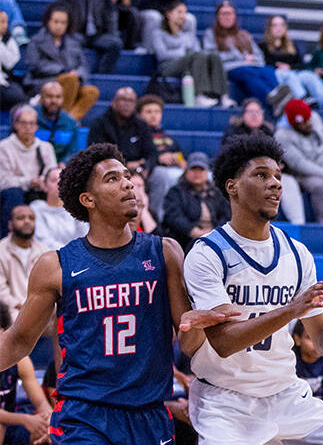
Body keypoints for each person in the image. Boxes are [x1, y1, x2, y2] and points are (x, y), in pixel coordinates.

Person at [0, 142, 233, 443]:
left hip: (148, 414)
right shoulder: (55, 265)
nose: (127, 183)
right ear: (88, 199)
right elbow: (18, 340)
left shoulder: (165, 251)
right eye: (112, 179)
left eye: (127, 175)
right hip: (83, 415)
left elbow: (188, 342)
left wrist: (197, 323)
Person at [182, 133, 323, 445]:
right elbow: (223, 341)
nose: (276, 183)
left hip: (285, 392)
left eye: (278, 176)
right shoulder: (208, 253)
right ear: (232, 186)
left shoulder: (297, 253)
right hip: (225, 400)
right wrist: (292, 309)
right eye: (261, 175)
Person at [202, 1, 290, 116]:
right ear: (217, 17)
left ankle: (276, 98)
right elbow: (211, 56)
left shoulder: (243, 34)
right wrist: (240, 58)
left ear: (235, 16)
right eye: (223, 14)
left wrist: (252, 59)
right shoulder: (211, 34)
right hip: (228, 68)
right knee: (247, 72)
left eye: (230, 14)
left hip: (251, 65)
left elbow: (259, 56)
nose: (227, 17)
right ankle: (270, 97)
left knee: (268, 70)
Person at [22, 3, 100, 119]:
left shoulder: (74, 43)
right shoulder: (36, 41)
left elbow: (83, 66)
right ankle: (62, 120)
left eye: (63, 23)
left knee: (92, 91)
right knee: (70, 79)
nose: (59, 26)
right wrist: (63, 71)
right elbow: (35, 65)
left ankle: (70, 119)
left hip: (73, 82)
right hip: (45, 82)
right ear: (48, 21)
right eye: (56, 22)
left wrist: (78, 73)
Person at [150, 0, 230, 107]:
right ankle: (198, 95)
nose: (183, 16)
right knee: (196, 55)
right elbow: (162, 55)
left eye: (184, 13)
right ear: (169, 14)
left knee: (213, 55)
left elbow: (197, 50)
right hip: (167, 67)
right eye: (179, 12)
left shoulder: (187, 34)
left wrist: (188, 54)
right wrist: (184, 52)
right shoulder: (158, 33)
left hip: (188, 64)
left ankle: (223, 96)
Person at [55, 0, 123, 76]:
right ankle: (76, 74)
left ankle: (104, 75)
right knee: (72, 41)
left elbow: (110, 14)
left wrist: (111, 33)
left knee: (115, 43)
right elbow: (60, 11)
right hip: (77, 33)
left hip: (97, 35)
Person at [0, 299, 54, 443]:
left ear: (3, 331)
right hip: (11, 421)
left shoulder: (19, 360)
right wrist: (24, 419)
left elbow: (40, 402)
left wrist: (48, 418)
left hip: (12, 423)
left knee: (49, 431)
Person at [86, 85, 158, 190]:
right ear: (113, 102)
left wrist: (145, 168)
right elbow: (96, 154)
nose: (127, 104)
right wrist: (126, 165)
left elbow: (151, 153)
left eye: (131, 101)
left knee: (162, 176)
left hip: (139, 172)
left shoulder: (142, 125)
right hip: (109, 170)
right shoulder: (100, 124)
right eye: (123, 100)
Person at [261, 15, 323, 111]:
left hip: (293, 74)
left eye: (281, 25)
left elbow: (301, 64)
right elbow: (262, 65)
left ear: (285, 28)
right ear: (269, 28)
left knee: (308, 75)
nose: (278, 28)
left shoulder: (292, 46)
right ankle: (303, 98)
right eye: (275, 25)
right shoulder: (263, 46)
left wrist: (289, 66)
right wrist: (280, 67)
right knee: (288, 75)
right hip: (276, 75)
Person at [0, 107, 56, 228]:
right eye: (23, 123)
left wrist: (43, 182)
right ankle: (7, 238)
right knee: (13, 194)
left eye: (32, 123)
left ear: (36, 126)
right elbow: (3, 181)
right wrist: (29, 182)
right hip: (14, 193)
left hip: (39, 190)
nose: (28, 127)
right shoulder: (4, 147)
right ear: (15, 125)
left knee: (55, 189)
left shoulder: (46, 147)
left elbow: (51, 174)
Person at [160, 152, 231, 249]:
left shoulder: (217, 192)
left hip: (217, 238)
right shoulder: (176, 192)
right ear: (186, 171)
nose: (197, 173)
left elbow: (227, 214)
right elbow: (173, 217)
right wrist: (192, 230)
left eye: (201, 169)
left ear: (207, 172)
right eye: (193, 169)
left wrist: (215, 232)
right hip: (185, 241)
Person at [137, 93, 186, 217]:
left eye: (157, 112)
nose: (153, 115)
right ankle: (158, 217)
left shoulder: (168, 137)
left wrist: (179, 160)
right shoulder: (138, 134)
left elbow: (181, 156)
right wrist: (158, 159)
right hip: (151, 172)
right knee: (164, 175)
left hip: (173, 171)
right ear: (140, 115)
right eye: (149, 112)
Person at [0, 206, 50, 313]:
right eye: (20, 218)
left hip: (42, 308)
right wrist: (18, 306)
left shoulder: (44, 250)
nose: (27, 221)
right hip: (14, 309)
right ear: (10, 224)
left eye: (31, 218)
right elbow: (1, 290)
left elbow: (50, 285)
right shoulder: (1, 250)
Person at [293, 321, 323, 425]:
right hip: (295, 412)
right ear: (297, 339)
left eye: (322, 338)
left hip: (322, 410)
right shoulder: (290, 360)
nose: (317, 343)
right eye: (310, 338)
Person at [29, 164, 88, 250]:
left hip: (77, 257)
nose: (59, 184)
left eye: (62, 180)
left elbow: (84, 235)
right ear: (45, 186)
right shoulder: (36, 208)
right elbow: (42, 239)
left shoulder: (75, 207)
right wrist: (69, 252)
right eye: (53, 180)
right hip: (49, 257)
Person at [35, 79, 79, 162]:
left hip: (60, 168)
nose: (54, 101)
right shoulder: (29, 119)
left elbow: (72, 152)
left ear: (62, 99)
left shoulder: (71, 122)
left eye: (58, 97)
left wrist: (64, 163)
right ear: (41, 98)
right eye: (49, 96)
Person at [0, 12, 24, 112]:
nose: (4, 25)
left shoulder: (8, 38)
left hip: (5, 81)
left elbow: (9, 63)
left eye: (5, 22)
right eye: (1, 22)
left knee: (18, 96)